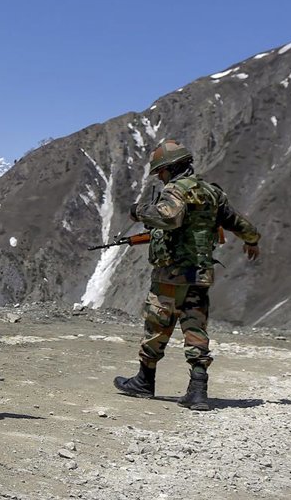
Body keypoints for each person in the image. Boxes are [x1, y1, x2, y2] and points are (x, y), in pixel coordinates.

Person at [114, 139, 261, 410]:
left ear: (170, 168)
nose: (159, 177)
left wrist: (139, 211)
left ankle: (144, 381)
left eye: (160, 171)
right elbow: (237, 221)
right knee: (195, 328)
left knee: (158, 325)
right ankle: (198, 390)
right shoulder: (212, 193)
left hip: (172, 274)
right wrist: (252, 240)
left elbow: (169, 217)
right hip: (200, 275)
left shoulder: (174, 190)